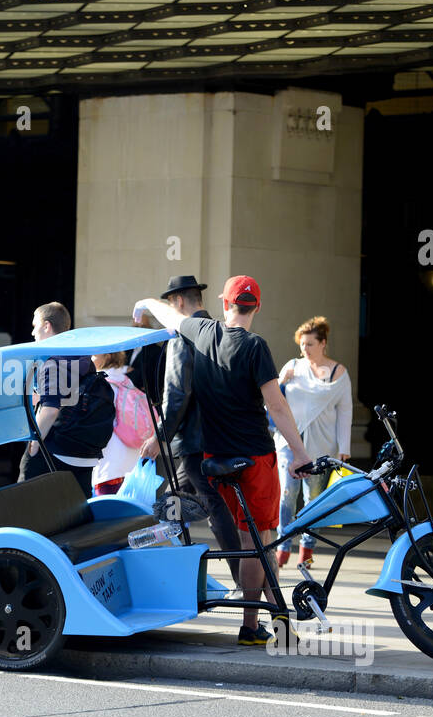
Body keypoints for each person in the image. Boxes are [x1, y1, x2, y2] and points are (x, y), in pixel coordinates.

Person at [134, 276, 314, 646]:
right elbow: (276, 405)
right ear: (256, 307)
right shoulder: (255, 347)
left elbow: (170, 315)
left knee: (255, 542)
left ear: (224, 302)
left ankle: (276, 623)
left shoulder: (203, 333)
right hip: (255, 457)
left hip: (218, 461)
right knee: (260, 542)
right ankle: (252, 626)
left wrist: (146, 302)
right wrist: (300, 452)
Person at [140, 275, 244, 589]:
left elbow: (176, 394)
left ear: (179, 303)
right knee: (167, 504)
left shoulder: (181, 337)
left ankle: (243, 581)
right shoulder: (222, 332)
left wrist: (160, 436)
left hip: (196, 443)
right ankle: (169, 570)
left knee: (214, 507)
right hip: (224, 438)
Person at [274, 316, 353, 569]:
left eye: (309, 344)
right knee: (287, 494)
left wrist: (344, 448)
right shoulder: (293, 366)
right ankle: (283, 545)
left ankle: (307, 549)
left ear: (323, 343)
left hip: (321, 446)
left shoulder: (338, 372)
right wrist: (281, 381)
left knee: (314, 499)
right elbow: (272, 399)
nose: (303, 349)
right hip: (289, 441)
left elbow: (345, 411)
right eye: (301, 344)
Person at [19, 301, 113, 494]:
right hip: (86, 453)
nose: (32, 333)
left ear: (46, 326)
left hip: (56, 450)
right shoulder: (83, 359)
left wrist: (34, 444)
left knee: (25, 508)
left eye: (34, 326)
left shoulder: (52, 363)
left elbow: (51, 410)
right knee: (76, 516)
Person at [90, 351, 141, 495]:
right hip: (130, 453)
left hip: (110, 457)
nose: (90, 359)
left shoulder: (101, 382)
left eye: (94, 355)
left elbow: (96, 421)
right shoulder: (126, 380)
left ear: (108, 355)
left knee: (106, 510)